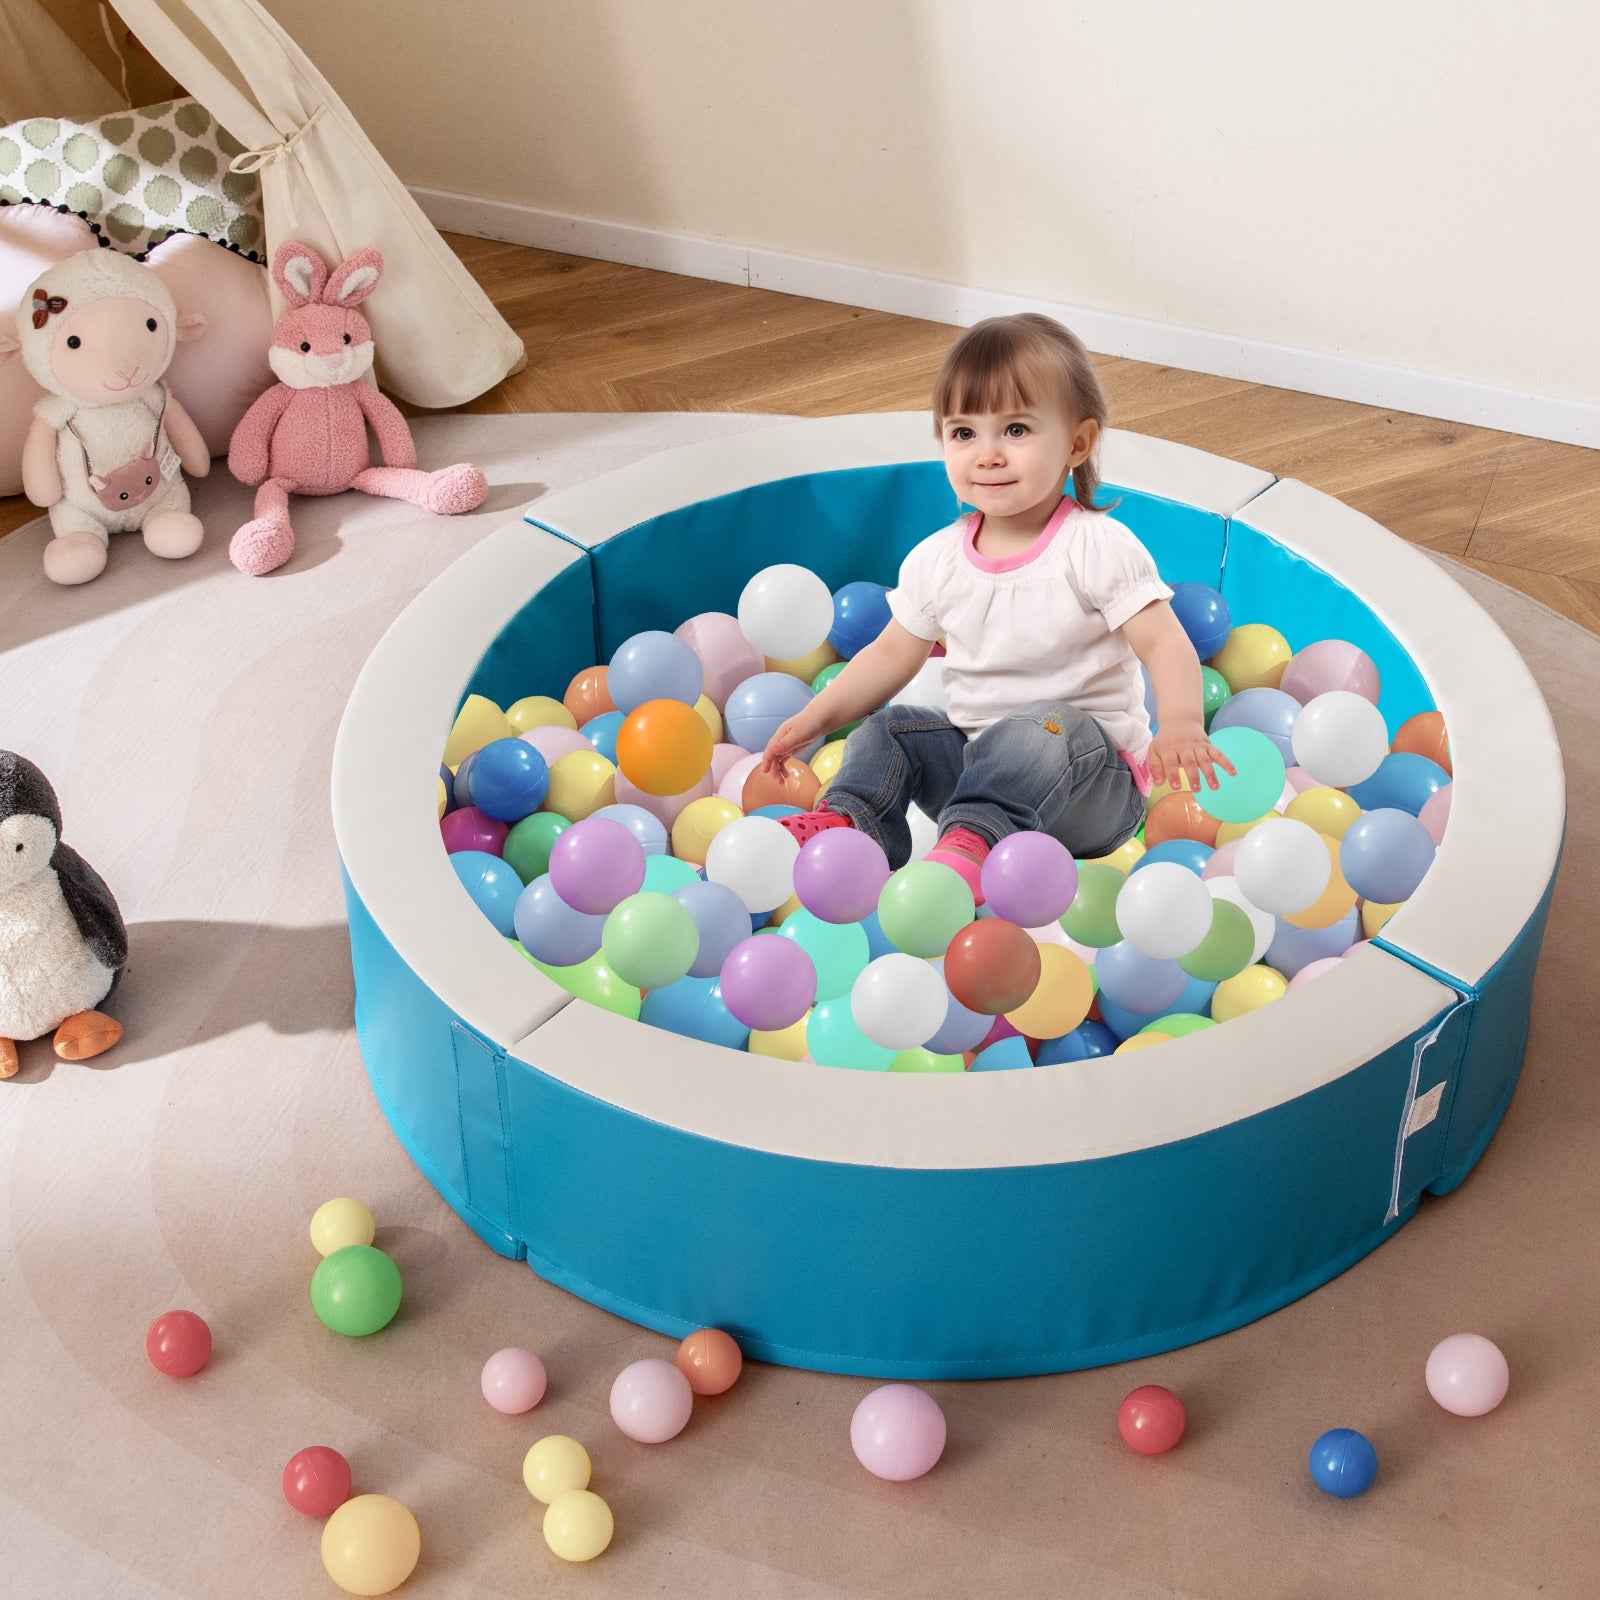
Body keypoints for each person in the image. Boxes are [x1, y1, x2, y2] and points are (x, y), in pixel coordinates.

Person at [760, 312, 1233, 896]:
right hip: (978, 776)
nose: (987, 455)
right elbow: (888, 658)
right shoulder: (936, 561)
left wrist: (1182, 723)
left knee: (1041, 724)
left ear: (1077, 444)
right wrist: (814, 720)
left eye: (1015, 430)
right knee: (891, 728)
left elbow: (1164, 640)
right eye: (964, 434)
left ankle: (974, 846)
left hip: (1092, 790)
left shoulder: (1095, 545)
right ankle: (852, 826)